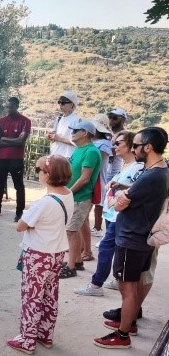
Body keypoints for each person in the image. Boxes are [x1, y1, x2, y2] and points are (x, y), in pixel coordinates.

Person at [94, 127, 169, 349]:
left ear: (148, 147)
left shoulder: (152, 175)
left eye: (135, 145)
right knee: (133, 286)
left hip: (132, 238)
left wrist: (119, 195)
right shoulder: (161, 171)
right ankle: (129, 323)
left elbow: (120, 202)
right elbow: (135, 193)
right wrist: (124, 191)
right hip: (142, 238)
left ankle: (123, 334)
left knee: (127, 289)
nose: (133, 149)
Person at [6, 155, 74, 354]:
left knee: (31, 296)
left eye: (38, 170)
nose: (37, 174)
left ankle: (27, 339)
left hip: (38, 254)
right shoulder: (68, 194)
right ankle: (45, 334)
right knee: (50, 294)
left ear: (48, 174)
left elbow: (21, 226)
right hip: (57, 252)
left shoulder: (45, 202)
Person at [74, 131, 143, 296]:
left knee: (106, 247)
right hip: (113, 214)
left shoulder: (138, 167)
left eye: (118, 143)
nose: (115, 146)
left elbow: (136, 191)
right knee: (116, 249)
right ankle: (115, 280)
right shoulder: (126, 165)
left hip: (121, 215)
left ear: (131, 145)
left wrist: (118, 188)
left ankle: (96, 285)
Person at [59, 120, 101, 279]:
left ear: (85, 133)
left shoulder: (90, 151)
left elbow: (84, 178)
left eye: (76, 130)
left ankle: (71, 267)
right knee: (73, 229)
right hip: (75, 196)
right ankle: (76, 261)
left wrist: (68, 192)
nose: (72, 132)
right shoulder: (79, 149)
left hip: (80, 197)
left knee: (71, 231)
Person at [0, 97, 31, 220]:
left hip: (16, 159)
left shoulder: (25, 121)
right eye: (7, 107)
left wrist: (4, 139)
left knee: (18, 186)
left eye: (11, 107)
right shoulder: (1, 121)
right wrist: (12, 141)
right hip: (1, 158)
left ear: (17, 106)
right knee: (0, 185)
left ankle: (19, 212)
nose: (8, 109)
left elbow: (21, 140)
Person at [84, 114, 112, 242]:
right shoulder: (95, 143)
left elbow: (96, 159)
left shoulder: (104, 144)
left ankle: (97, 227)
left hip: (98, 178)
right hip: (93, 177)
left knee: (97, 203)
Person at [47, 91, 80, 158]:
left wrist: (59, 139)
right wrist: (50, 136)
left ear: (71, 104)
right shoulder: (59, 118)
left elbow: (76, 142)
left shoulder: (76, 120)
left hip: (67, 156)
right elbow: (54, 133)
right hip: (55, 154)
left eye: (63, 102)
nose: (60, 104)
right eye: (59, 102)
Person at [106, 108, 127, 182]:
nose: (111, 120)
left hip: (114, 172)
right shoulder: (107, 132)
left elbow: (115, 151)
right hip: (104, 171)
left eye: (115, 118)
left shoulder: (125, 135)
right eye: (110, 117)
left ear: (122, 120)